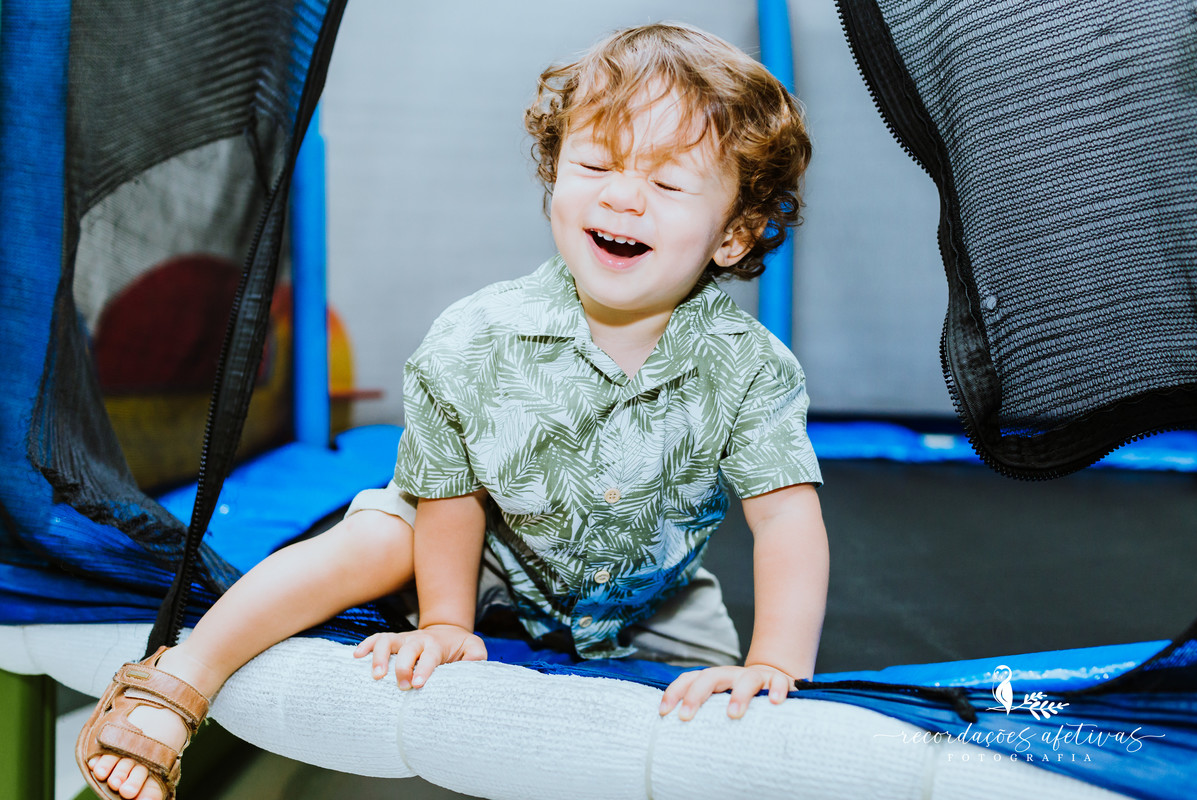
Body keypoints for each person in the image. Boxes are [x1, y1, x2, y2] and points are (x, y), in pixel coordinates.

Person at [78, 22, 828, 800]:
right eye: (595, 162)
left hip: (645, 598)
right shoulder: (475, 338)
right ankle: (182, 675)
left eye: (669, 185)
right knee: (376, 539)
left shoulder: (750, 367)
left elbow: (784, 521)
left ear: (735, 234)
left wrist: (775, 664)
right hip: (476, 549)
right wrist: (445, 620)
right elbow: (451, 496)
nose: (622, 194)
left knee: (735, 737)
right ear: (554, 172)